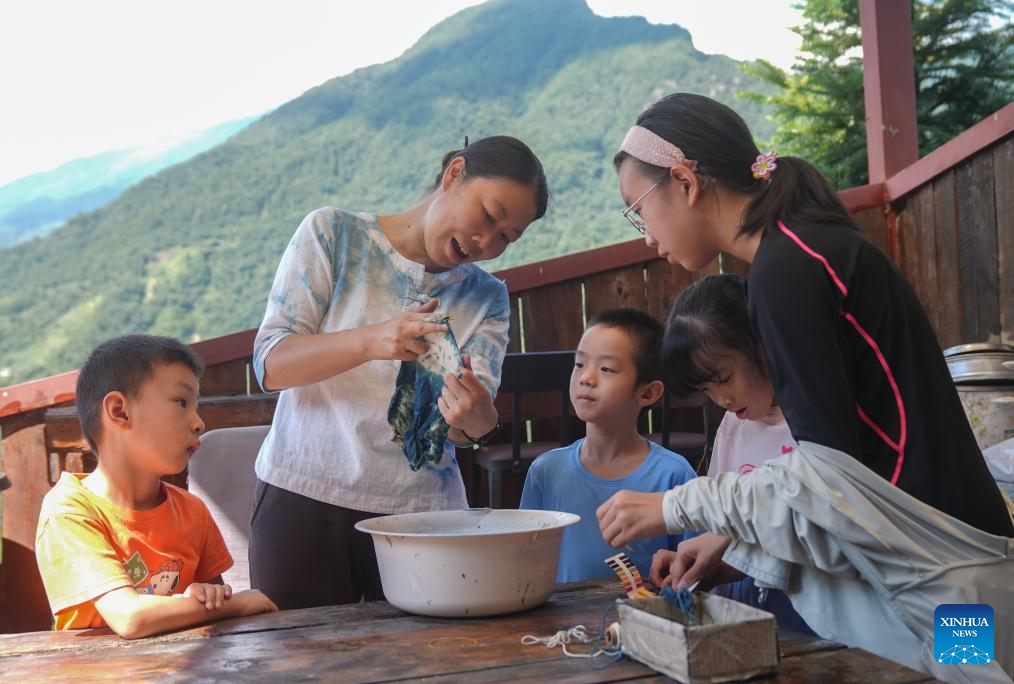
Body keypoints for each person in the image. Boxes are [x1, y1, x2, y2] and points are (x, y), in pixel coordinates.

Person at [597, 93, 1013, 681]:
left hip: (946, 577)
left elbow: (825, 479)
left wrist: (672, 505)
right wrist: (731, 547)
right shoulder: (800, 249)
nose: (645, 236)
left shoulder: (785, 270)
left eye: (639, 208)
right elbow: (845, 483)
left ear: (686, 181)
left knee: (970, 678)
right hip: (945, 560)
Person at [250, 136, 549, 609]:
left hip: (424, 519)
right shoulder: (333, 235)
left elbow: (466, 430)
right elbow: (271, 363)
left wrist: (474, 416)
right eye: (489, 216)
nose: (487, 243)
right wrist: (373, 339)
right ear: (454, 173)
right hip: (303, 496)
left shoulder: (486, 297)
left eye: (506, 238)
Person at [35, 335, 278, 638]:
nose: (198, 422)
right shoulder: (70, 510)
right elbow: (129, 618)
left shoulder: (193, 511)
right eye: (181, 403)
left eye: (195, 407)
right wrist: (240, 604)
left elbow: (217, 612)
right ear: (119, 411)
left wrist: (211, 598)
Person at [650, 274, 812, 634]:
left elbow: (814, 525)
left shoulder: (818, 427)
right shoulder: (733, 425)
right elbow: (722, 526)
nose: (720, 397)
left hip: (812, 612)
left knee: (962, 664)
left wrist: (732, 550)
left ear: (762, 345)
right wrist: (707, 560)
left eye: (723, 377)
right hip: (750, 612)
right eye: (707, 387)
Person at [520, 309, 697, 583]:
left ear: (647, 393)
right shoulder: (546, 471)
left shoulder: (673, 475)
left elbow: (692, 573)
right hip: (557, 625)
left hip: (642, 623)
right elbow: (525, 565)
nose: (586, 378)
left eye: (606, 369)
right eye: (579, 364)